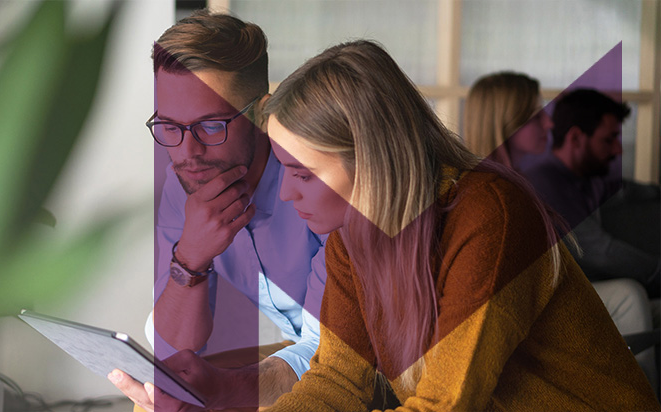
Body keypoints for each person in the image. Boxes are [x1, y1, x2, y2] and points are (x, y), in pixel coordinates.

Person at [253, 40, 656, 410]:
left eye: (302, 174)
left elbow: (445, 406)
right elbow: (335, 381)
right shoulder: (348, 241)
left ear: (373, 161)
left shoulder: (490, 214)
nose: (286, 193)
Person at [108, 10, 327, 411]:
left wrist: (226, 392)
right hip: (303, 348)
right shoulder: (185, 185)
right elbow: (173, 348)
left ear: (262, 113)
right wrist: (190, 257)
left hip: (371, 357)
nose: (187, 153)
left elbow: (336, 353)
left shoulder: (317, 178)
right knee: (159, 396)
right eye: (169, 127)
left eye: (211, 126)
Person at [466, 80, 659, 391]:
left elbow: (618, 189)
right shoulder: (495, 190)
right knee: (628, 296)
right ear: (506, 124)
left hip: (541, 294)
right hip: (519, 310)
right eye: (536, 114)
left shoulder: (523, 179)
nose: (549, 122)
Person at [524, 89, 660, 298]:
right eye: (609, 139)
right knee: (629, 296)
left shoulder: (587, 179)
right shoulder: (545, 184)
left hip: (591, 289)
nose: (618, 150)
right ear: (576, 138)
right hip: (555, 300)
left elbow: (625, 191)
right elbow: (600, 251)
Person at [464, 71, 552, 172]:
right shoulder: (485, 185)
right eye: (536, 116)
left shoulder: (517, 177)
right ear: (502, 121)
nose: (549, 123)